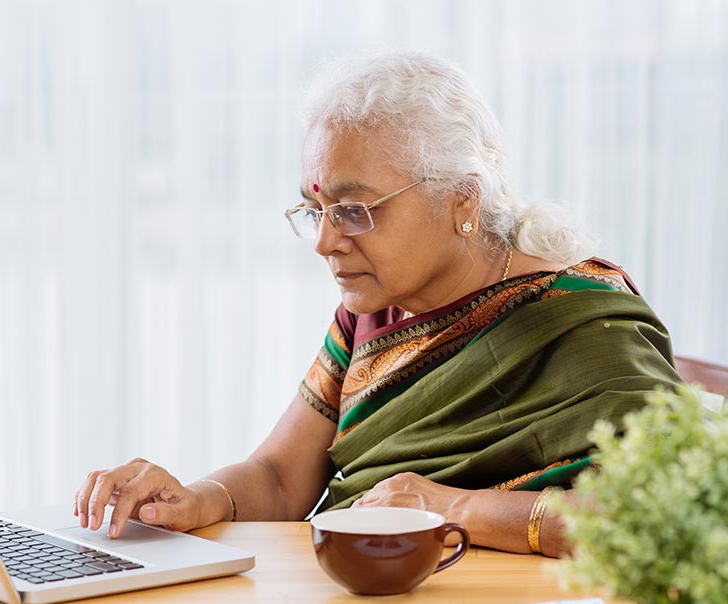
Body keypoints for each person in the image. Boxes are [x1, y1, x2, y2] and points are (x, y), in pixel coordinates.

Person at [74, 51, 681, 558]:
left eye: (354, 210)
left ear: (462, 201)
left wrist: (457, 508)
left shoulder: (584, 323)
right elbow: (281, 478)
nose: (324, 241)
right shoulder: (373, 309)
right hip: (357, 601)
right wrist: (197, 498)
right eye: (316, 211)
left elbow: (660, 523)